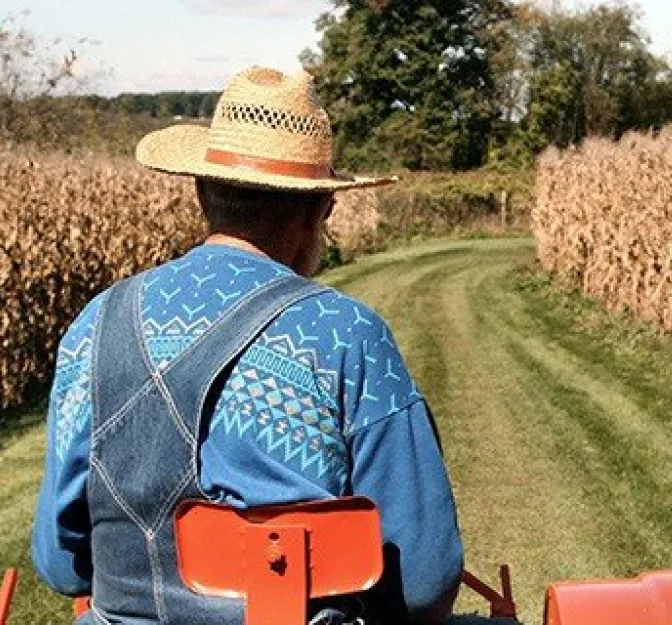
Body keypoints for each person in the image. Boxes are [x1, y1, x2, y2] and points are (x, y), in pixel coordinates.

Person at [30, 66, 463, 625]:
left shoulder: (95, 325)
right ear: (318, 210)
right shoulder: (345, 334)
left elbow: (61, 566)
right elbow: (425, 581)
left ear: (201, 192)